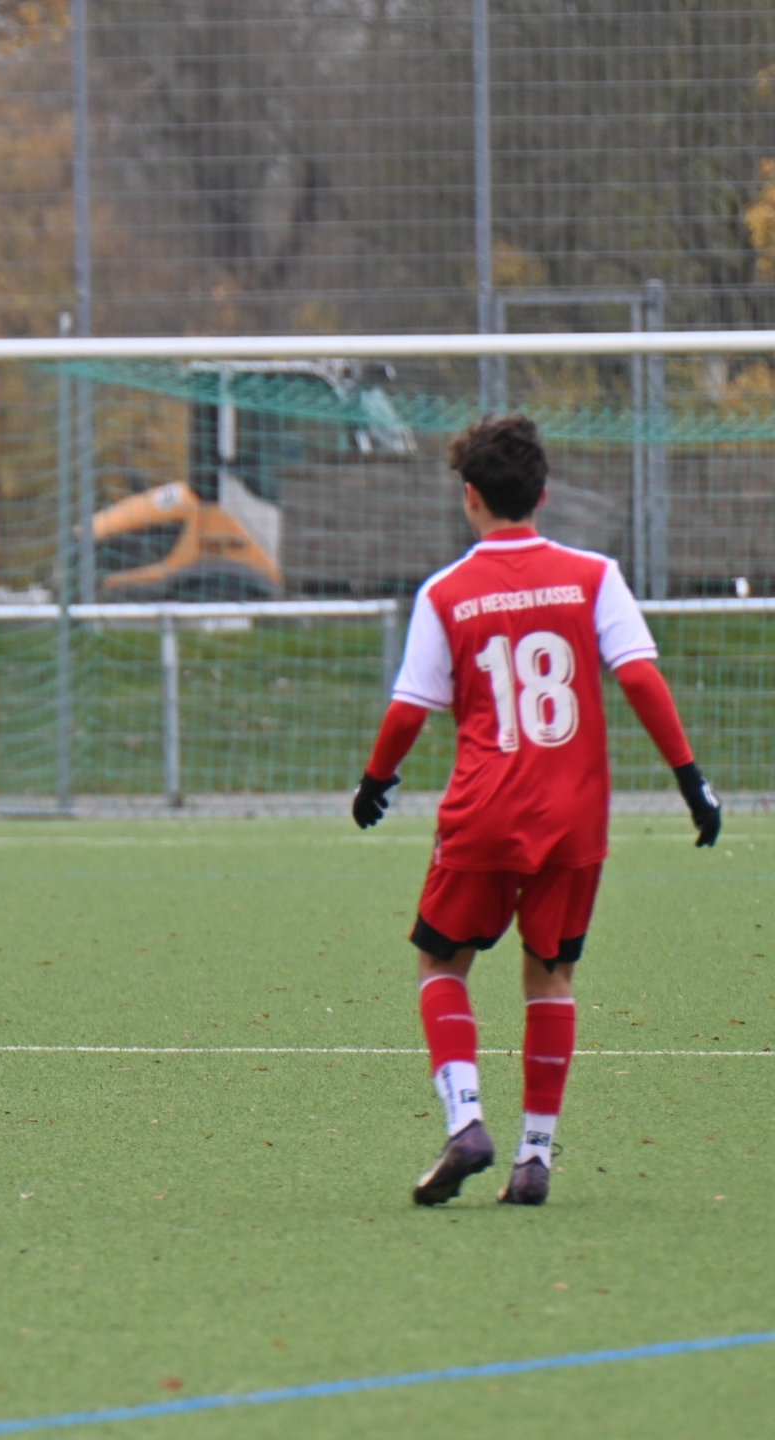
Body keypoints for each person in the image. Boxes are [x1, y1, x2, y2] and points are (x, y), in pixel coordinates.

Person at [352, 416, 720, 1208]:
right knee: (551, 974)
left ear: (470, 497)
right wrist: (691, 780)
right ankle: (534, 1157)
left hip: (484, 811)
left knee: (441, 965)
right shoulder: (594, 575)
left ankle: (465, 1122)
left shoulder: (445, 592)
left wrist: (375, 780)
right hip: (575, 817)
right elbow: (640, 677)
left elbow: (410, 708)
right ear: (543, 495)